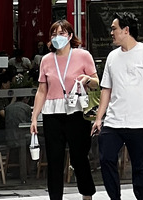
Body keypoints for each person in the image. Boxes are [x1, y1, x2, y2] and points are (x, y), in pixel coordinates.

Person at [92, 12, 143, 200]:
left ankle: (141, 197)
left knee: (141, 165)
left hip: (138, 121)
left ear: (126, 30)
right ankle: (115, 198)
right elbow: (106, 89)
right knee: (106, 158)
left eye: (114, 28)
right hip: (113, 121)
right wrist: (99, 118)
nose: (111, 32)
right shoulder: (112, 57)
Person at [31, 20, 98, 200]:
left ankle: (87, 194)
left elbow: (97, 82)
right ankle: (55, 197)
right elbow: (41, 90)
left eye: (61, 33)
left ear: (70, 35)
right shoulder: (46, 59)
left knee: (79, 157)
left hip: (76, 111)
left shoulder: (83, 56)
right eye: (54, 34)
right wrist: (34, 117)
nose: (57, 37)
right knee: (54, 159)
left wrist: (86, 79)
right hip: (52, 112)